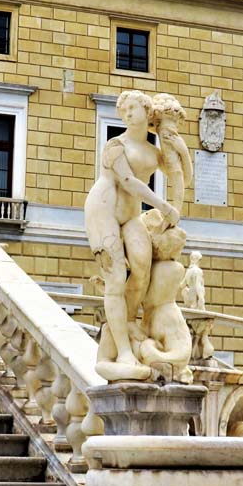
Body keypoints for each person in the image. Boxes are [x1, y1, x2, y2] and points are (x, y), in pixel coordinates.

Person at [85, 90, 180, 379]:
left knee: (142, 267)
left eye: (133, 108)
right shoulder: (115, 145)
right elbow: (128, 182)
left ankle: (126, 323)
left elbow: (177, 172)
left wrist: (177, 145)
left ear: (146, 112)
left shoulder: (153, 152)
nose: (127, 114)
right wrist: (164, 206)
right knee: (115, 278)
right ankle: (123, 350)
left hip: (129, 216)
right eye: (124, 109)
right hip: (104, 210)